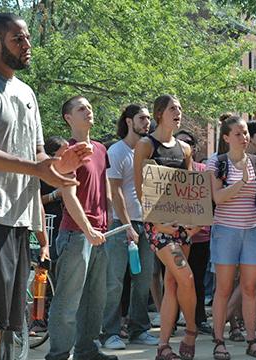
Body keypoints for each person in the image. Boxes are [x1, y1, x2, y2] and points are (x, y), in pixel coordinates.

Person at [0, 13, 91, 360]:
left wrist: (61, 166)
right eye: (17, 39)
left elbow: (38, 156)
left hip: (17, 220)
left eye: (27, 39)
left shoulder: (26, 92)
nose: (27, 46)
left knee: (0, 325)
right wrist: (36, 167)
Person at [46, 95, 116, 360]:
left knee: (95, 300)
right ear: (68, 118)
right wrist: (87, 228)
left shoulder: (100, 149)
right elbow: (68, 194)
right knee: (68, 301)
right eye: (81, 108)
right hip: (76, 234)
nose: (88, 111)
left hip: (101, 233)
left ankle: (88, 350)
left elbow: (105, 186)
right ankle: (58, 354)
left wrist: (115, 219)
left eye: (89, 107)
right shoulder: (68, 152)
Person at [134, 95, 199, 360]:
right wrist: (158, 222)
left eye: (181, 108)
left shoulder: (184, 149)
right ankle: (192, 331)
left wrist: (194, 223)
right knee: (186, 276)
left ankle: (163, 346)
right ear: (160, 112)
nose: (178, 112)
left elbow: (192, 188)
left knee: (172, 283)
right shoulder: (145, 145)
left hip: (183, 225)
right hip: (158, 226)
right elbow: (140, 190)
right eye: (173, 108)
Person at [208, 115, 256, 360]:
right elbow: (218, 198)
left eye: (245, 132)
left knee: (249, 288)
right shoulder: (217, 163)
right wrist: (242, 183)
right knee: (224, 289)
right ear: (226, 138)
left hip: (253, 230)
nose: (244, 137)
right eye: (238, 133)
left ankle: (252, 340)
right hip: (226, 230)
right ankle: (219, 341)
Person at [102, 104, 158, 349]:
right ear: (128, 121)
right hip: (120, 224)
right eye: (142, 118)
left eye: (148, 118)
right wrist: (127, 226)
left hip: (147, 223)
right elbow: (115, 192)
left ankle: (139, 329)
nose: (147, 123)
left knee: (144, 280)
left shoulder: (148, 151)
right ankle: (109, 332)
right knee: (114, 281)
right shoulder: (116, 151)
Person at [175, 129, 213, 335]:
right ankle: (170, 322)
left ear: (195, 148)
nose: (183, 146)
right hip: (171, 235)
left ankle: (199, 319)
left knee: (197, 280)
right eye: (179, 143)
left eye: (188, 143)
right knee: (172, 281)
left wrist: (199, 226)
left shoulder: (204, 170)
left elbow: (209, 202)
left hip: (199, 235)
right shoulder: (168, 170)